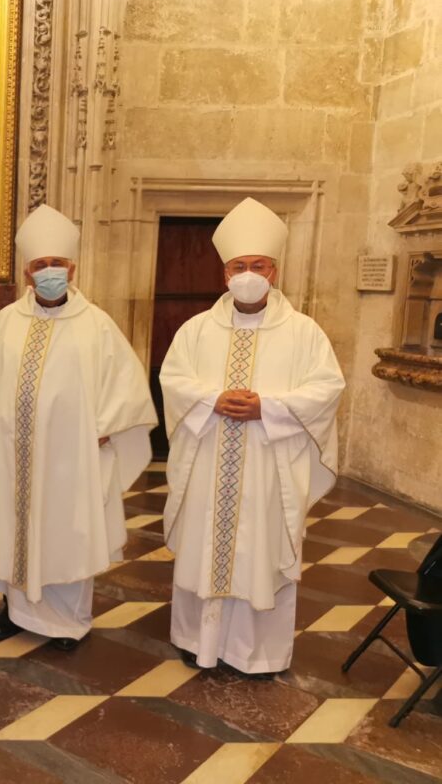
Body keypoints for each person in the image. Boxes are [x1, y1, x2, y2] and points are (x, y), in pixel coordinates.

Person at [0, 205, 157, 650]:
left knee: (67, 534)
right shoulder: (6, 324)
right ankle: (13, 608)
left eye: (57, 264)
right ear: (27, 274)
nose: (50, 272)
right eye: (40, 265)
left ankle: (68, 620)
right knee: (13, 528)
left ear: (72, 268)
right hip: (11, 454)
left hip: (71, 457)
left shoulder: (96, 326)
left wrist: (108, 426)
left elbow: (126, 387)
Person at [160, 197, 345, 676]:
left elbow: (327, 387)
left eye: (257, 265)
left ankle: (256, 652)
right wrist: (212, 400)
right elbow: (173, 379)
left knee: (259, 554)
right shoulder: (196, 330)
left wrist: (269, 407)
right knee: (205, 549)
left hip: (269, 465)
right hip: (207, 461)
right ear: (225, 275)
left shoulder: (305, 333)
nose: (248, 273)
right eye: (239, 266)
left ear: (274, 271)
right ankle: (194, 638)